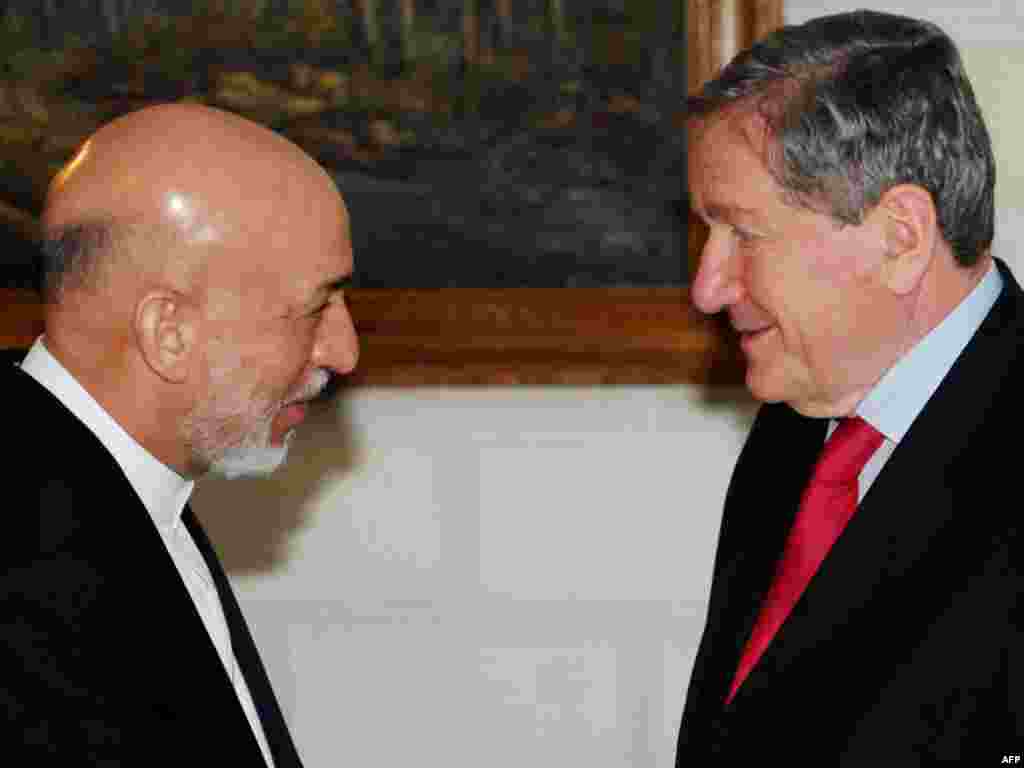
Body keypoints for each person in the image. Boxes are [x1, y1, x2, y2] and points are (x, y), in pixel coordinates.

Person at [678, 10, 1022, 763]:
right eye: (705, 233)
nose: (708, 287)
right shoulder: (801, 422)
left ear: (901, 236)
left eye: (742, 232)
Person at [1, 103, 359, 764]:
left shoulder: (119, 485)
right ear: (169, 332)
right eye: (315, 308)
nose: (344, 352)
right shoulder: (25, 555)